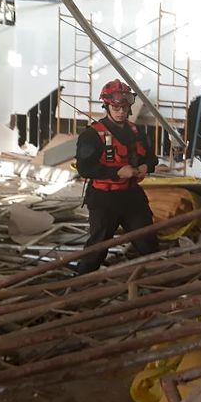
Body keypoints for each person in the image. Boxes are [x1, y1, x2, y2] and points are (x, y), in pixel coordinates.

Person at [74, 79, 159, 274]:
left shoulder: (137, 132)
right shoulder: (91, 135)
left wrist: (147, 166)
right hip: (104, 200)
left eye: (124, 107)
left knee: (147, 240)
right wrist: (116, 172)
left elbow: (151, 158)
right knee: (98, 247)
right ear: (107, 106)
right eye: (115, 107)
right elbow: (84, 168)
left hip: (132, 197)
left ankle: (155, 278)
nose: (120, 111)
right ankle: (80, 282)